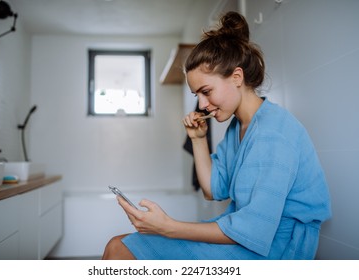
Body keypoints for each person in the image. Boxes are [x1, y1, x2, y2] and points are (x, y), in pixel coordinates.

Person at [101, 11, 332, 260]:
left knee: (119, 249)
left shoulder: (273, 133)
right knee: (118, 245)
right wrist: (198, 139)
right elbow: (213, 191)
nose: (202, 104)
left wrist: (169, 227)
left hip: (278, 249)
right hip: (247, 236)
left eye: (207, 91)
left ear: (236, 77)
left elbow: (255, 229)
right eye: (197, 95)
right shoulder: (239, 128)